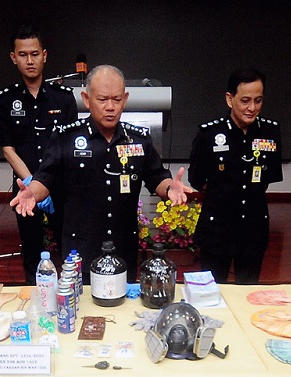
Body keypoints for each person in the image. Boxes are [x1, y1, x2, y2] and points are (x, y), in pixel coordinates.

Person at [10, 65, 192, 277]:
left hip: (123, 246)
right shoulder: (66, 138)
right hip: (81, 248)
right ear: (87, 99)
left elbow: (156, 176)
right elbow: (45, 178)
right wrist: (31, 193)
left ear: (125, 99)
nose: (110, 107)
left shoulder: (138, 139)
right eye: (103, 99)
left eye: (116, 100)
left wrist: (170, 188)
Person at [0, 25, 79, 283]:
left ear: (44, 55)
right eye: (23, 55)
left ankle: (71, 293)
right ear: (13, 57)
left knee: (68, 249)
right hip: (24, 188)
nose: (29, 60)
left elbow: (71, 145)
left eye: (34, 54)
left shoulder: (63, 98)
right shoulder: (5, 100)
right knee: (32, 250)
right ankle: (35, 297)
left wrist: (48, 184)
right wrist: (32, 183)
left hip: (60, 188)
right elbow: (7, 148)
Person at [188, 68, 283, 284]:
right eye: (245, 101)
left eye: (258, 101)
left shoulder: (271, 132)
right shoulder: (209, 134)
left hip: (253, 226)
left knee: (247, 290)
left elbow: (267, 179)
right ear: (230, 99)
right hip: (217, 226)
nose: (252, 108)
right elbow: (197, 179)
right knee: (212, 290)